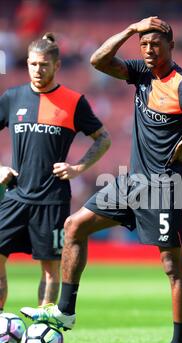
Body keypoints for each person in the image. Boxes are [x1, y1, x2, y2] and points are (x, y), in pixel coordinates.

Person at [21, 17, 182, 343]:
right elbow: (98, 60)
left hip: (168, 186)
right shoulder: (141, 73)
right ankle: (65, 311)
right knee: (75, 226)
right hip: (133, 182)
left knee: (172, 265)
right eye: (144, 45)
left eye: (155, 45)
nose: (149, 51)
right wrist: (131, 29)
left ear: (171, 46)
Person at [0, 33, 111, 314]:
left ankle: (43, 326)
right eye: (33, 64)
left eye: (44, 65)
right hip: (15, 195)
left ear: (57, 65)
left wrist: (78, 167)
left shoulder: (73, 102)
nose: (38, 70)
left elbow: (103, 138)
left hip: (52, 198)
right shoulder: (12, 98)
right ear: (26, 64)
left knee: (50, 269)